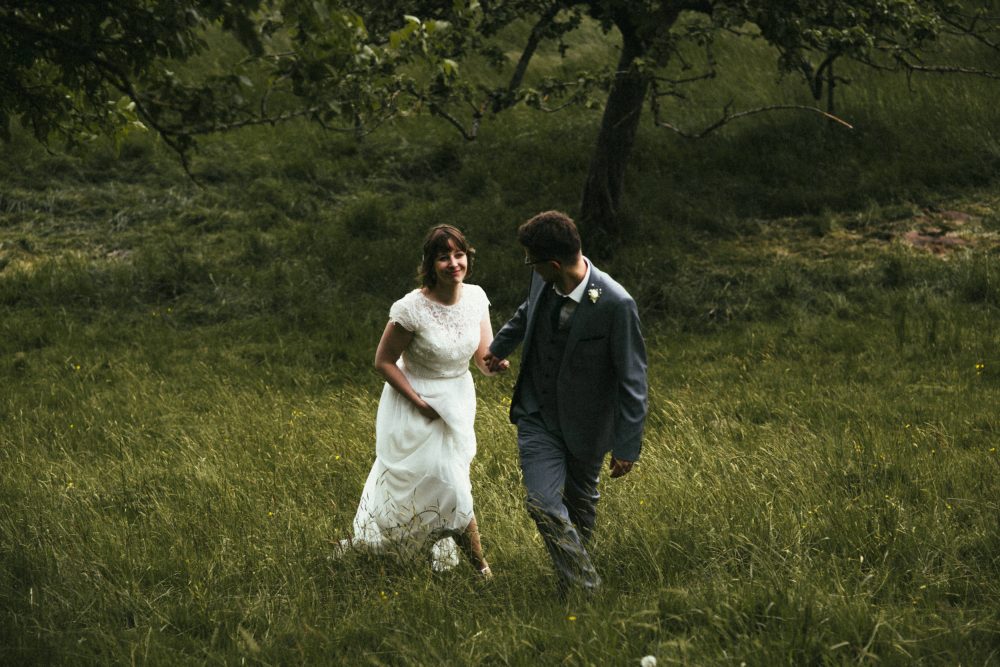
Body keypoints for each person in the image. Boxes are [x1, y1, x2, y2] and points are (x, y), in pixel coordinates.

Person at [484, 210, 648, 595]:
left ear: (554, 264)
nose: (531, 268)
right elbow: (528, 312)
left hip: (588, 424)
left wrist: (627, 445)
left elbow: (633, 378)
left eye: (533, 261)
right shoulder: (543, 282)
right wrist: (499, 346)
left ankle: (569, 584)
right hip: (536, 414)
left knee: (580, 505)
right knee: (542, 503)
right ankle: (588, 588)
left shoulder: (616, 304)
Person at [341, 224, 507, 576]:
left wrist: (497, 364)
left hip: (457, 404)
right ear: (430, 264)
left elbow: (483, 360)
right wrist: (417, 402)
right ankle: (480, 568)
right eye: (443, 257)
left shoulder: (476, 298)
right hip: (414, 404)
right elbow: (383, 361)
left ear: (468, 257)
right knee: (429, 483)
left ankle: (475, 566)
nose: (453, 263)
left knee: (451, 482)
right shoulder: (411, 309)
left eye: (458, 255)